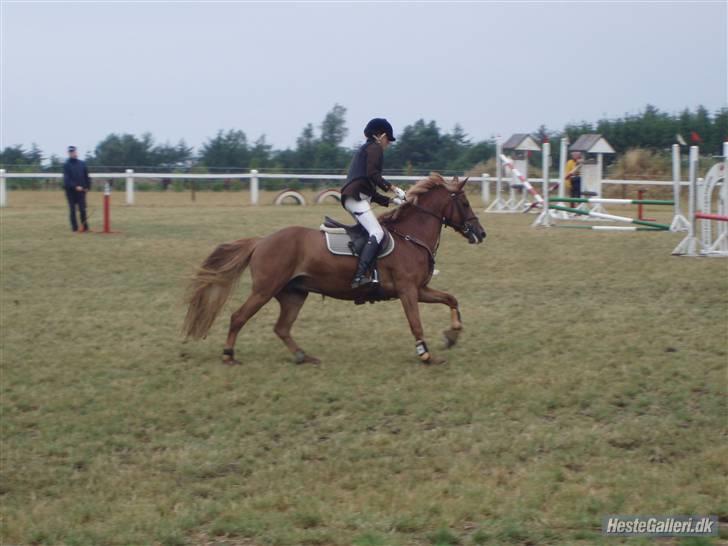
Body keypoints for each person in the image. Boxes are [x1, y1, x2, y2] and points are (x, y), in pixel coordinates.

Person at [340, 118, 406, 288]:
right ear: (380, 135)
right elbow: (373, 175)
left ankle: (372, 271)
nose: (388, 143)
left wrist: (392, 201)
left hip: (354, 197)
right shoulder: (375, 148)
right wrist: (393, 188)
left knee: (371, 232)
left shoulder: (367, 149)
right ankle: (359, 276)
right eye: (388, 139)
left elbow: (370, 191)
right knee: (377, 232)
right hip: (355, 199)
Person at [62, 146, 91, 232]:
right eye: (71, 152)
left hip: (81, 191)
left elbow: (86, 176)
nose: (73, 153)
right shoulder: (66, 165)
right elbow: (67, 179)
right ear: (69, 153)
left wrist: (87, 187)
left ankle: (85, 227)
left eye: (74, 152)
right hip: (70, 191)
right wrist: (75, 186)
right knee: (72, 210)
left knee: (82, 209)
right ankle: (74, 228)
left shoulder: (82, 164)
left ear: (76, 152)